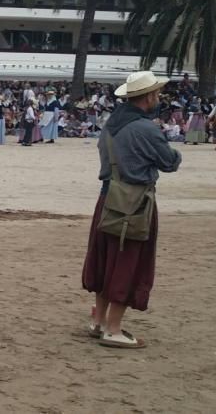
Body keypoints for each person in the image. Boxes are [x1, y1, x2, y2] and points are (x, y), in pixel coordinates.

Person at [82, 71, 181, 349]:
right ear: (148, 96)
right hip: (135, 202)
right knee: (128, 262)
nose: (158, 98)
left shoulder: (111, 124)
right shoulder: (145, 128)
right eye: (156, 94)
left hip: (107, 198)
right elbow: (170, 162)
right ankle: (113, 329)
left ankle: (99, 321)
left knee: (105, 260)